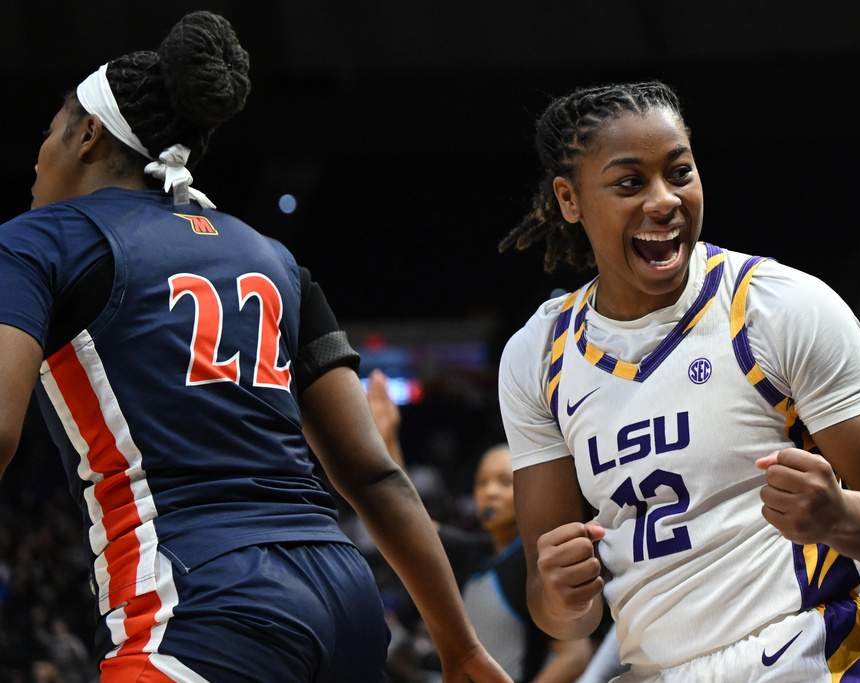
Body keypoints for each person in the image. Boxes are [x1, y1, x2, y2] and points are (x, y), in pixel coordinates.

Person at [0, 11, 510, 683]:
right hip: (345, 603)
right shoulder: (274, 258)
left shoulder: (39, 239)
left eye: (48, 133)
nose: (38, 157)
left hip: (203, 601)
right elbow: (373, 474)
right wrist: (462, 645)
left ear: (88, 134)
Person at [497, 80, 860, 682]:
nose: (665, 201)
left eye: (679, 173)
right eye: (630, 183)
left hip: (810, 653)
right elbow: (560, 615)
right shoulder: (536, 356)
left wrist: (840, 516)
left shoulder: (779, 307)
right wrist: (560, 593)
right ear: (569, 199)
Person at [366, 375, 594, 682]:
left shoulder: (537, 563)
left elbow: (574, 655)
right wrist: (387, 438)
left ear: (528, 492)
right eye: (482, 482)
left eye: (504, 482)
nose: (490, 492)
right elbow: (408, 521)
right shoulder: (475, 554)